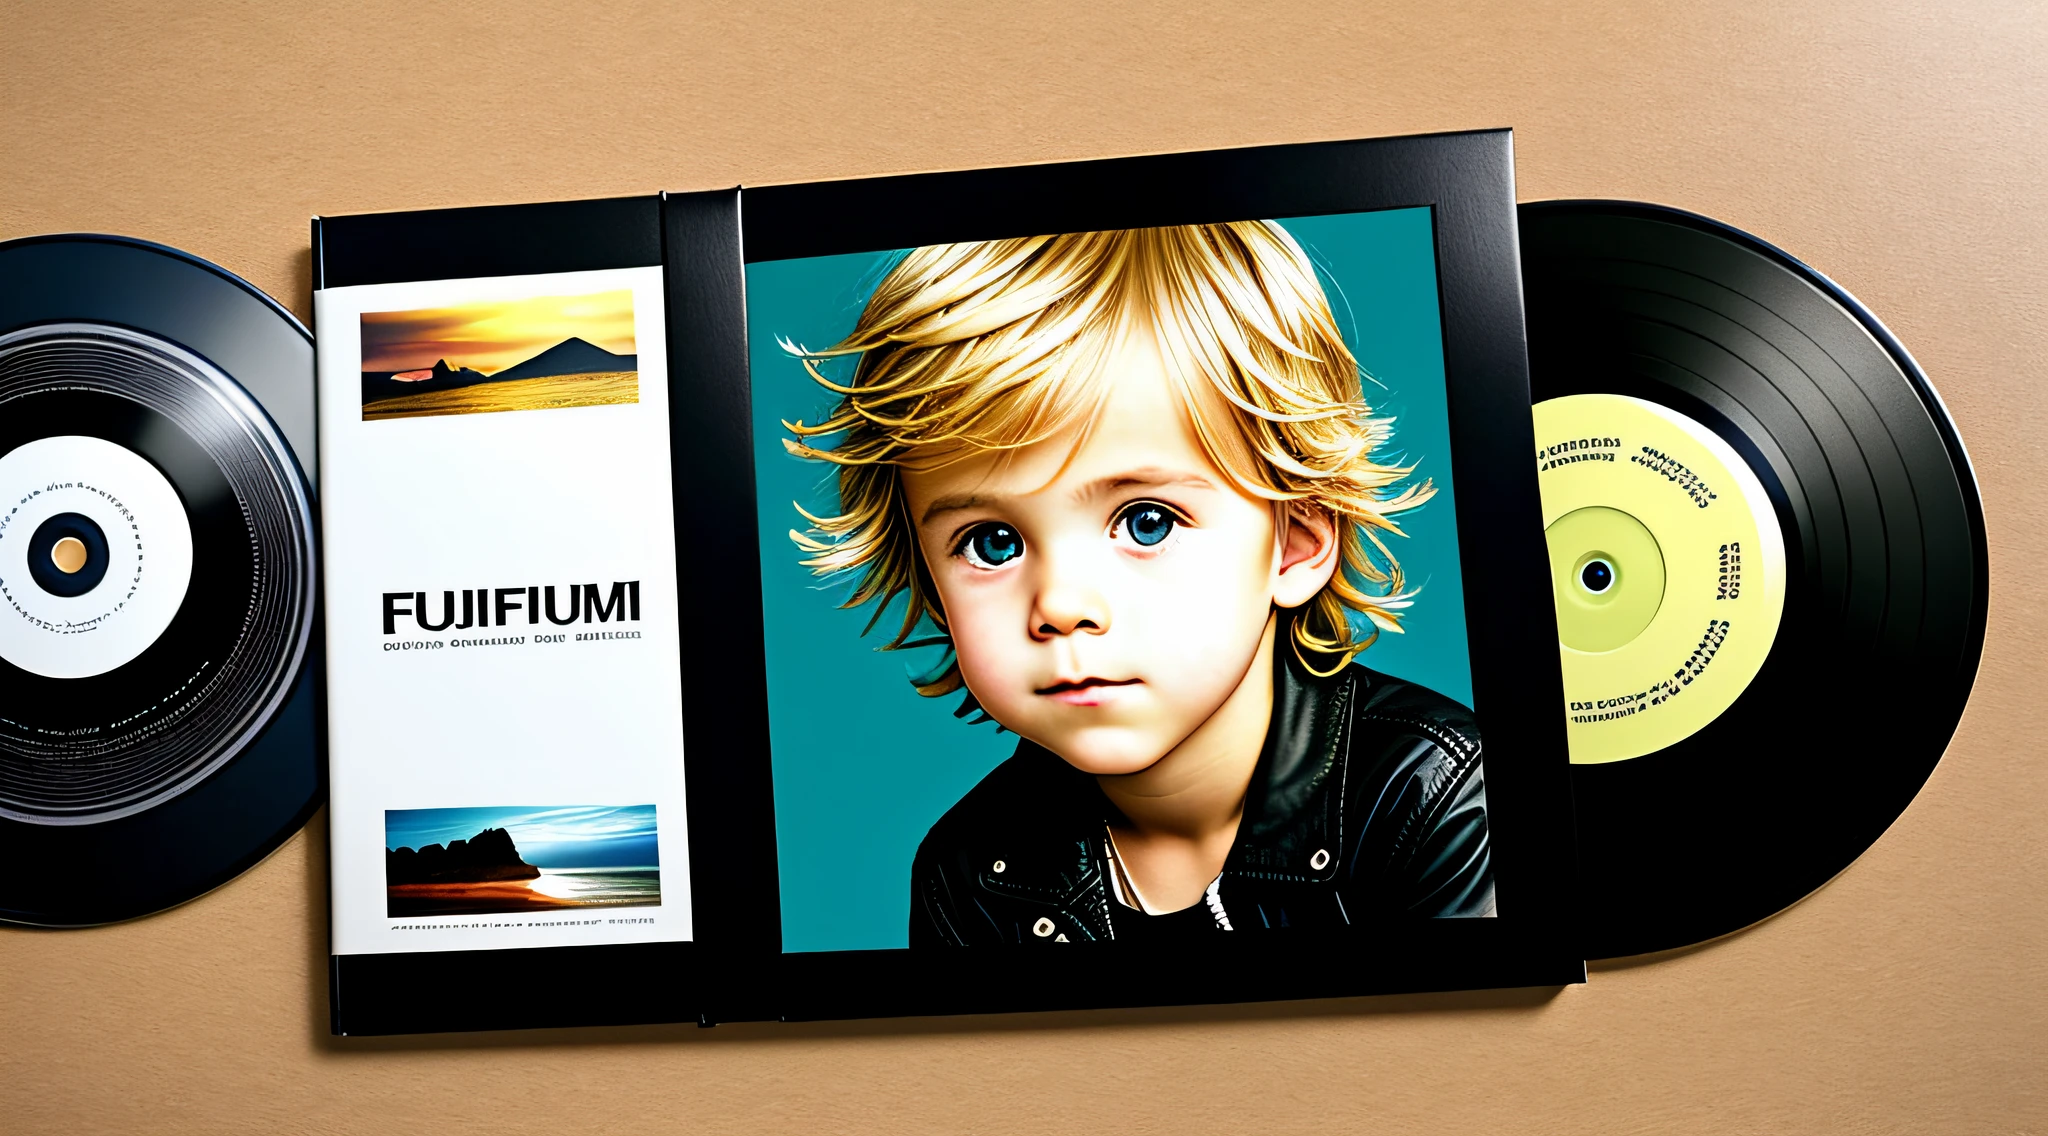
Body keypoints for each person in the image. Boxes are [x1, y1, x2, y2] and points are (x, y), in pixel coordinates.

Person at [782, 222, 1492, 944]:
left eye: (1147, 522)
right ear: (931, 583)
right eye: (991, 543)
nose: (1061, 606)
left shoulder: (1434, 794)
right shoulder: (970, 873)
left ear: (1294, 544)